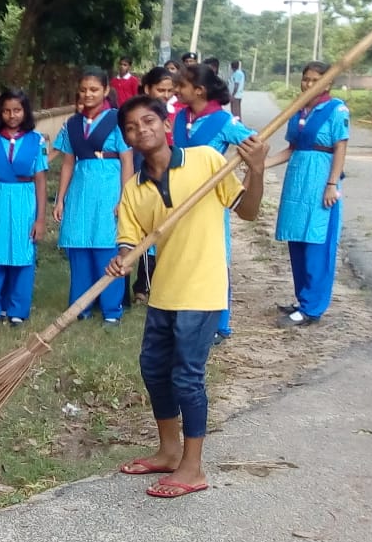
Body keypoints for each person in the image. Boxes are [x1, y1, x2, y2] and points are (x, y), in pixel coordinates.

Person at [108, 97, 267, 498]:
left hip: (203, 289)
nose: (141, 129)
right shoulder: (135, 188)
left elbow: (247, 212)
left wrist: (257, 169)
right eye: (131, 126)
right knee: (154, 370)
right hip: (164, 293)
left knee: (187, 377)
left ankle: (193, 468)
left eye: (149, 120)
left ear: (166, 123)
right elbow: (130, 241)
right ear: (126, 137)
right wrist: (123, 260)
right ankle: (167, 451)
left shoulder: (207, 161)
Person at [174, 64, 256, 342]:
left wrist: (248, 174)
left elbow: (254, 145)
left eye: (181, 86)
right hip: (178, 197)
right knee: (184, 254)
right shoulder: (179, 118)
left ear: (199, 90)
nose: (176, 90)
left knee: (215, 258)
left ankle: (220, 325)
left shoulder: (224, 122)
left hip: (210, 199)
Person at [265, 61, 350, 326]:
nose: (309, 84)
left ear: (328, 83)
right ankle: (302, 298)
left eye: (315, 80)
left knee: (316, 243)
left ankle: (312, 307)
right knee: (297, 240)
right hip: (297, 180)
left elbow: (340, 147)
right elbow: (292, 148)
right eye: (305, 79)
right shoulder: (298, 110)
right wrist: (260, 164)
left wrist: (332, 184)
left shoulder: (336, 110)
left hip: (320, 181)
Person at [53, 67, 133, 326]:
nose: (88, 94)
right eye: (84, 89)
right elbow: (67, 162)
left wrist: (125, 198)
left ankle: (111, 309)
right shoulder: (73, 123)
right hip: (80, 189)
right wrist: (61, 198)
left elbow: (127, 161)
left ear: (106, 91)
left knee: (107, 247)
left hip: (108, 186)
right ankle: (81, 306)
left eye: (94, 89)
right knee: (79, 247)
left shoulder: (117, 120)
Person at [0, 89, 48, 327]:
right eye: (6, 110)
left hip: (24, 202)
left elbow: (41, 179)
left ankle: (16, 310)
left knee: (21, 254)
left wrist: (40, 218)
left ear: (25, 112)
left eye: (17, 110)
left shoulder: (36, 140)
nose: (11, 115)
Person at [129, 67, 179, 302]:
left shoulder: (177, 113)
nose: (166, 95)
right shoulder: (134, 115)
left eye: (170, 90)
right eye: (161, 90)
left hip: (170, 173)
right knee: (144, 227)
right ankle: (143, 284)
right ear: (148, 89)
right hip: (143, 170)